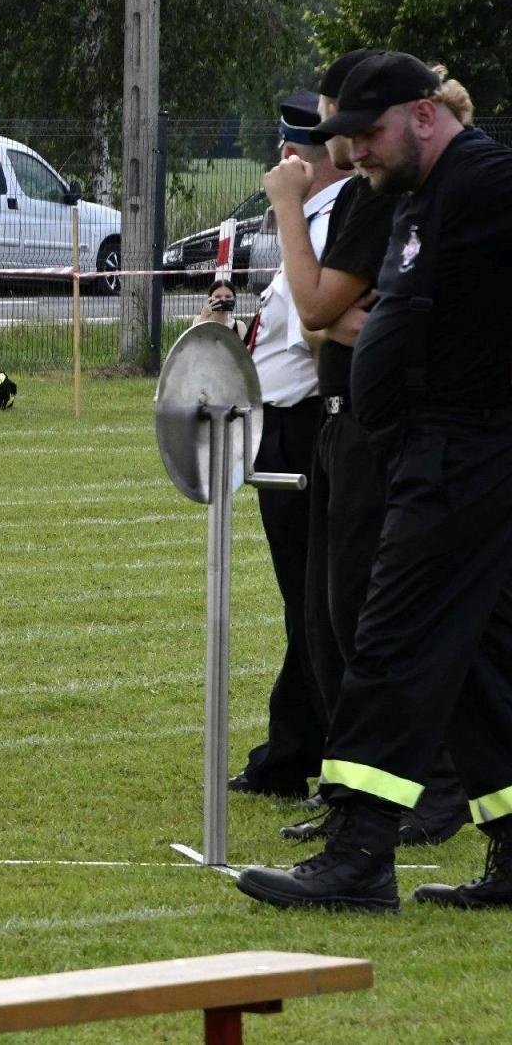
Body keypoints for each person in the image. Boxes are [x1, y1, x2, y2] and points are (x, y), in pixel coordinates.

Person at [235, 53, 512, 912]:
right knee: (481, 661)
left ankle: (359, 854)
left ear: (425, 113)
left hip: (465, 454)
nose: (355, 152)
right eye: (346, 138)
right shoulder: (419, 190)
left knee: (389, 640)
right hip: (426, 447)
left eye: (368, 132)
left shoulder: (486, 178)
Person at [271, 50, 468, 847]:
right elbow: (325, 319)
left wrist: (288, 205)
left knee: (369, 618)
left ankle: (430, 790)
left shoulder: (386, 193)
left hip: (384, 425)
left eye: (348, 124)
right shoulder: (373, 191)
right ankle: (354, 790)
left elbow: (317, 306)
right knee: (329, 618)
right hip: (341, 416)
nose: (340, 140)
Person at [224, 91, 349, 802]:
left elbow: (311, 325)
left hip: (303, 425)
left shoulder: (323, 221)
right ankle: (294, 748)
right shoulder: (317, 219)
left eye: (287, 149)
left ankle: (313, 753)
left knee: (314, 601)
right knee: (302, 600)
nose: (280, 161)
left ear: (302, 155)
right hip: (282, 421)